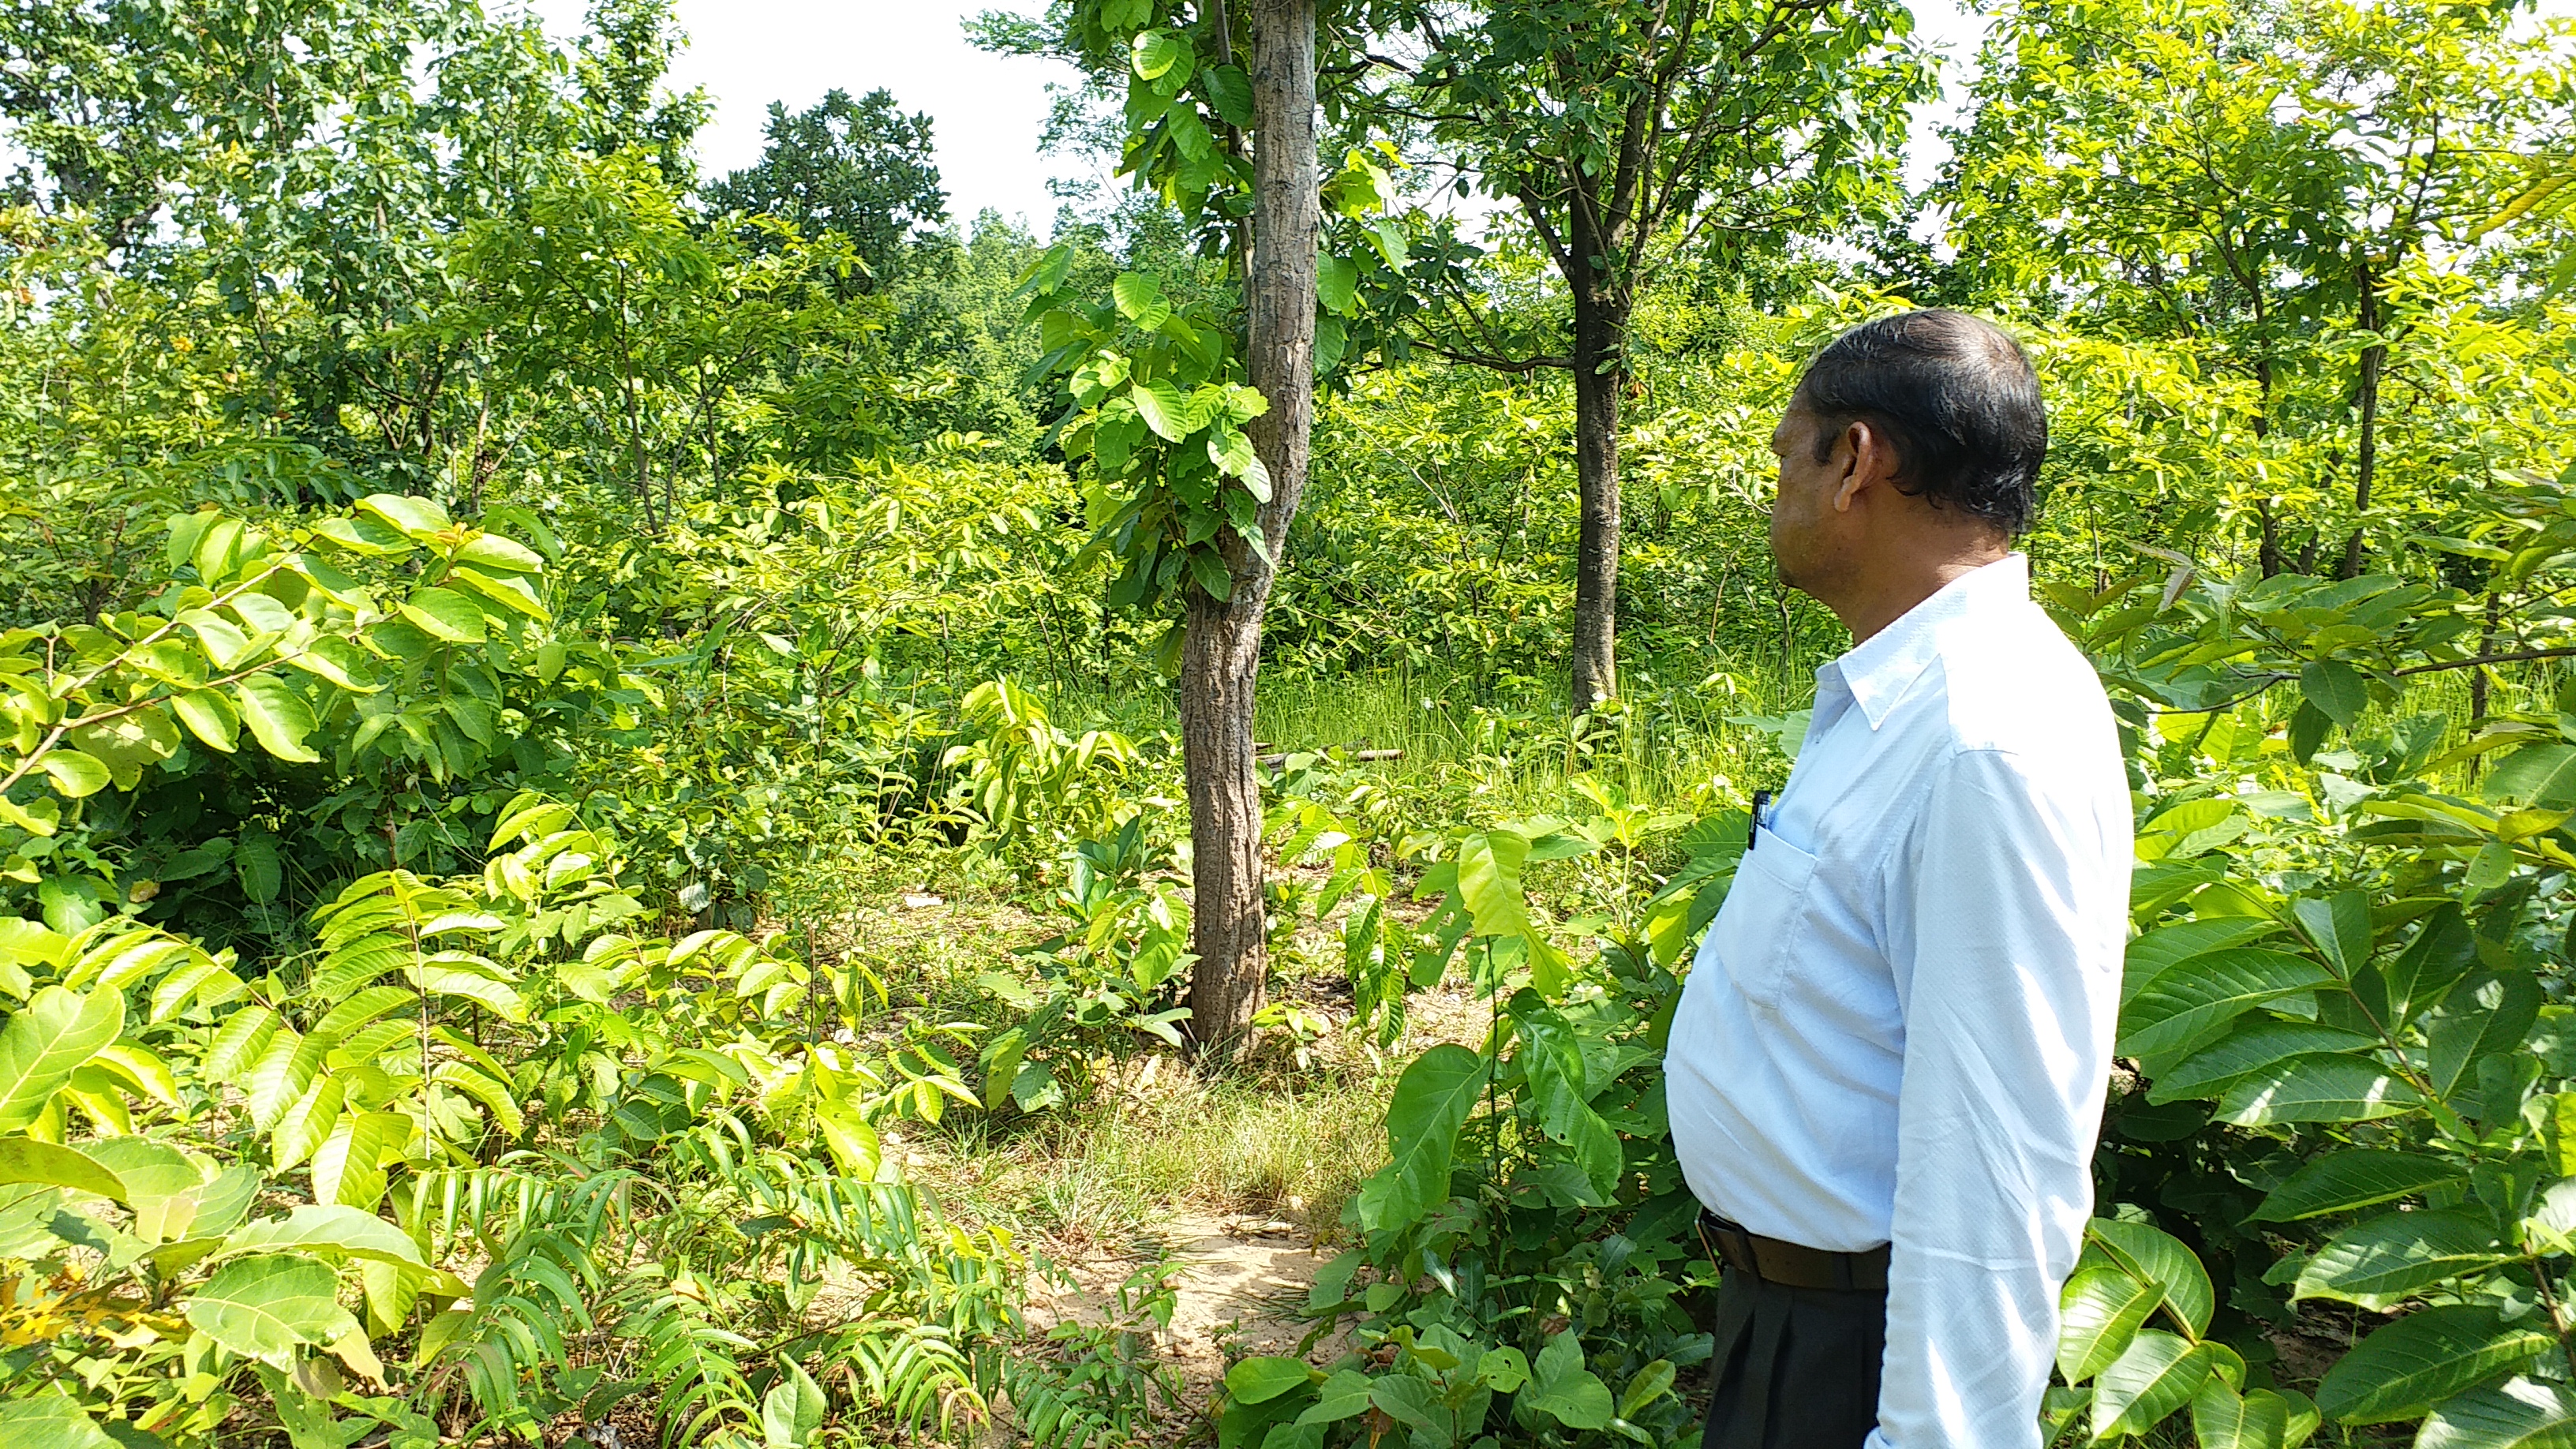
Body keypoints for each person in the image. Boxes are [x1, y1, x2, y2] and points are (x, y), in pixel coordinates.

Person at [1664, 309, 2133, 1447]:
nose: (1774, 487)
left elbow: (1998, 1163)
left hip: (1859, 1371)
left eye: (1788, 453)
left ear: (1854, 463)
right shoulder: (1905, 702)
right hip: (1791, 1329)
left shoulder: (1983, 739)